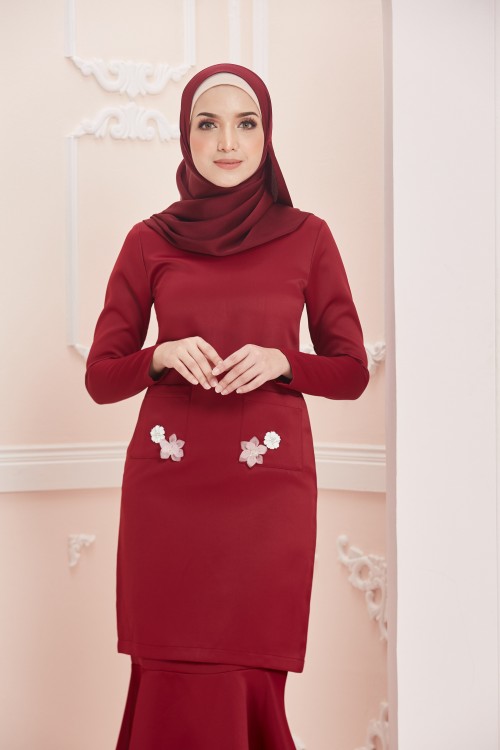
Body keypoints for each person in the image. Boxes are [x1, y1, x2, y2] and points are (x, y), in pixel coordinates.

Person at [85, 62, 369, 750]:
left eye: (246, 124)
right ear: (186, 137)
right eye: (207, 124)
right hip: (169, 494)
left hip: (264, 501)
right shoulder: (149, 240)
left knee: (249, 678)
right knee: (169, 679)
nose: (227, 143)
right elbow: (101, 377)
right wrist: (159, 354)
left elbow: (352, 371)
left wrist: (283, 362)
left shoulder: (308, 236)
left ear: (267, 135)